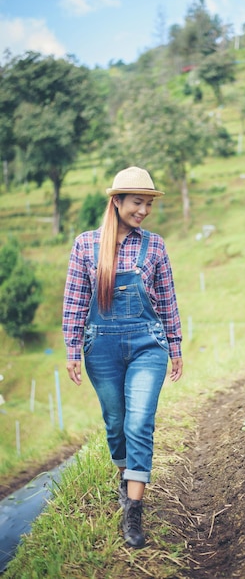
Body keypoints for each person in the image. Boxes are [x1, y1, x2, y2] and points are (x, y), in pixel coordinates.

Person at [62, 166, 183, 548]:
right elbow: (76, 301)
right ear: (116, 202)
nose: (144, 210)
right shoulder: (85, 245)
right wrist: (71, 349)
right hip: (102, 348)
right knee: (116, 424)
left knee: (140, 421)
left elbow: (166, 301)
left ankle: (133, 513)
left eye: (148, 204)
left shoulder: (156, 246)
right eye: (137, 202)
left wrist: (175, 346)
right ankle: (125, 476)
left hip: (148, 345)